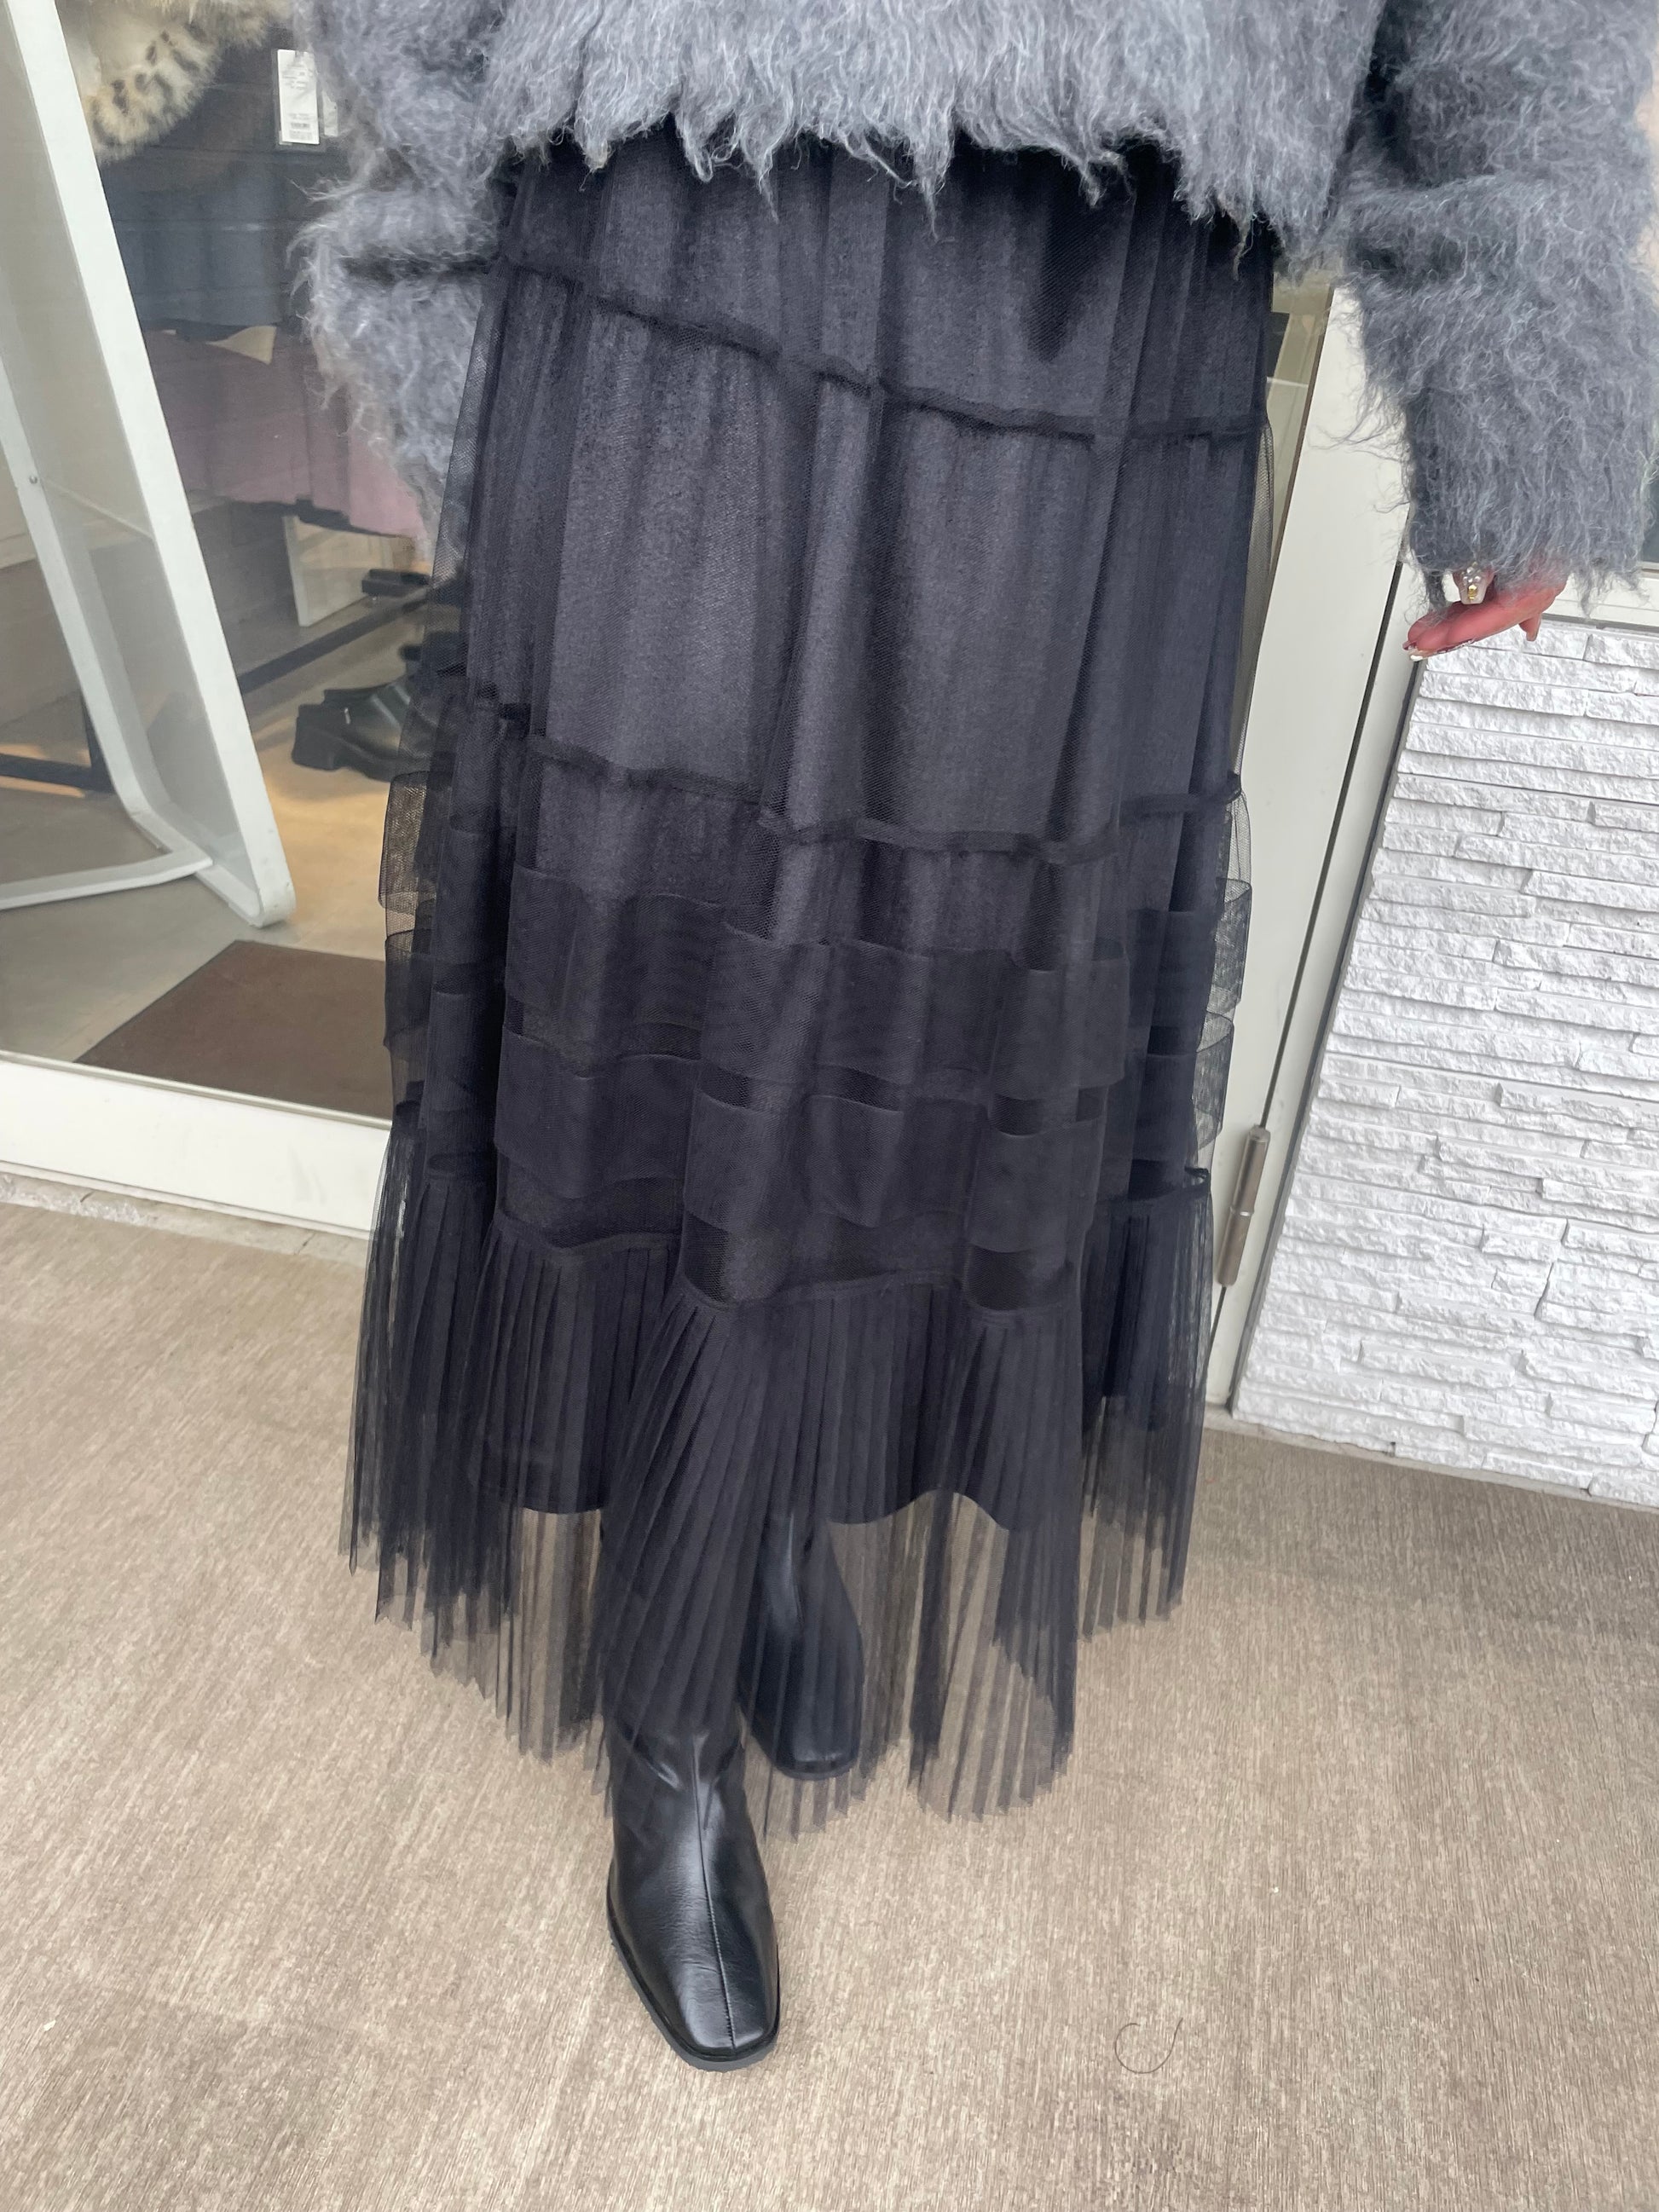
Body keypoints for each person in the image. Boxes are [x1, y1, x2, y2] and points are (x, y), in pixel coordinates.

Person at [301, 0, 1658, 2069]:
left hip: (1106, 248)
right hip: (683, 170)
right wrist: (438, 204)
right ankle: (668, 1707)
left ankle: (757, 1490)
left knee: (954, 958)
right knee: (680, 938)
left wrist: (1519, 345)